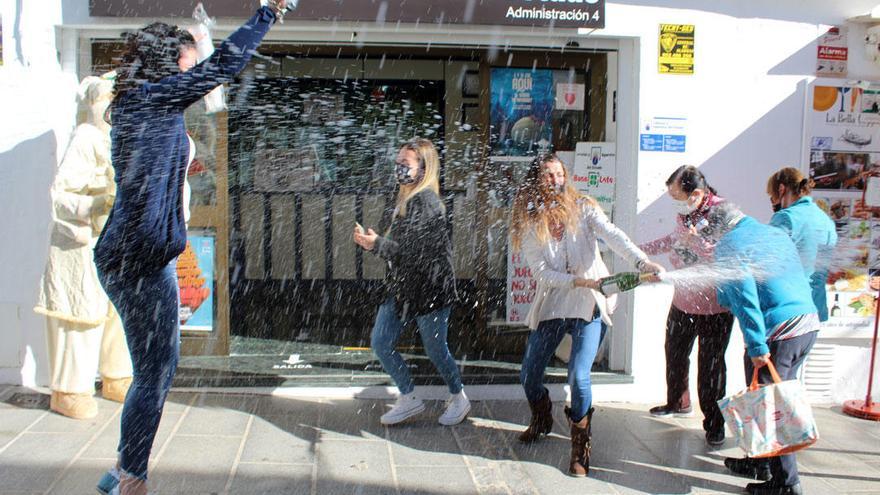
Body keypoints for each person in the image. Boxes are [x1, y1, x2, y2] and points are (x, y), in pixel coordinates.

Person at [92, 3, 288, 494]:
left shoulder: (144, 102)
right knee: (156, 371)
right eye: (185, 57)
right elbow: (221, 66)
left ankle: (125, 468)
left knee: (153, 369)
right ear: (166, 61)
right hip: (137, 259)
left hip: (135, 255)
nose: (191, 66)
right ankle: (130, 474)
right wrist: (266, 13)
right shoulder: (153, 100)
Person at [509, 153, 663, 477]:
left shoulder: (584, 208)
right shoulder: (530, 223)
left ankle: (580, 447)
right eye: (547, 176)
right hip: (554, 302)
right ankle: (541, 416)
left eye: (558, 173)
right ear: (536, 182)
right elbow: (541, 272)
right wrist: (577, 280)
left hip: (589, 303)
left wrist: (642, 263)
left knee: (579, 375)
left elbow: (613, 235)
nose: (555, 180)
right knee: (528, 374)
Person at [34, 74, 133, 420]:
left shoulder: (126, 138)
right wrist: (98, 204)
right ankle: (69, 389)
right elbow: (60, 195)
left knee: (118, 312)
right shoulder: (87, 136)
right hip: (81, 242)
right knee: (81, 316)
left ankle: (117, 375)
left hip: (117, 240)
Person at [353, 139, 470, 427]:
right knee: (381, 342)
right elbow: (394, 244)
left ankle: (459, 397)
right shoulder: (401, 198)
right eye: (398, 164)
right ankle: (409, 397)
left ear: (424, 168)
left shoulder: (427, 202)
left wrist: (377, 244)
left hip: (430, 289)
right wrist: (373, 241)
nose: (399, 170)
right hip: (402, 287)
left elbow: (414, 253)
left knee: (435, 350)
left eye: (406, 165)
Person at [710, 203, 819, 495]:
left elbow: (745, 299)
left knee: (774, 407)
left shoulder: (729, 244)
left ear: (720, 229)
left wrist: (756, 344)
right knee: (772, 398)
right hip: (806, 324)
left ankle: (787, 483)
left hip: (778, 330)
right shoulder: (772, 233)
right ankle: (762, 463)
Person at [641, 165, 735, 446]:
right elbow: (674, 240)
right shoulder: (687, 213)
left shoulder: (724, 212)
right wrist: (638, 250)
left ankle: (714, 424)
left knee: (711, 369)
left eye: (676, 196)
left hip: (715, 308)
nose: (673, 202)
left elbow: (728, 256)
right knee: (675, 355)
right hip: (683, 301)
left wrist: (697, 242)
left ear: (696, 193)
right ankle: (677, 403)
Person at [766, 167, 838, 321]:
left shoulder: (786, 217)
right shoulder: (825, 220)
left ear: (781, 189)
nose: (772, 201)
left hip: (788, 309)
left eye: (771, 196)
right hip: (814, 310)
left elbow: (766, 261)